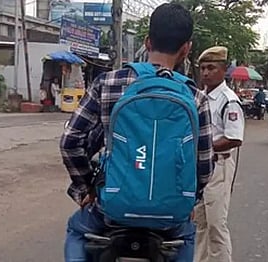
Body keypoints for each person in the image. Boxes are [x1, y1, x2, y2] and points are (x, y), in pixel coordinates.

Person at [60, 3, 214, 262]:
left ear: (147, 41)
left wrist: (86, 187)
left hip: (112, 209)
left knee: (76, 230)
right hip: (170, 216)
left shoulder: (107, 83)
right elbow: (204, 166)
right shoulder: (196, 97)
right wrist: (189, 200)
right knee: (187, 235)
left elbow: (70, 141)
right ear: (186, 49)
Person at [194, 46, 245, 262]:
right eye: (203, 68)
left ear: (223, 70)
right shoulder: (200, 96)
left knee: (216, 224)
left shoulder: (228, 100)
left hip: (219, 167)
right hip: (200, 167)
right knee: (199, 223)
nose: (206, 73)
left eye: (211, 68)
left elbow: (234, 138)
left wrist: (206, 147)